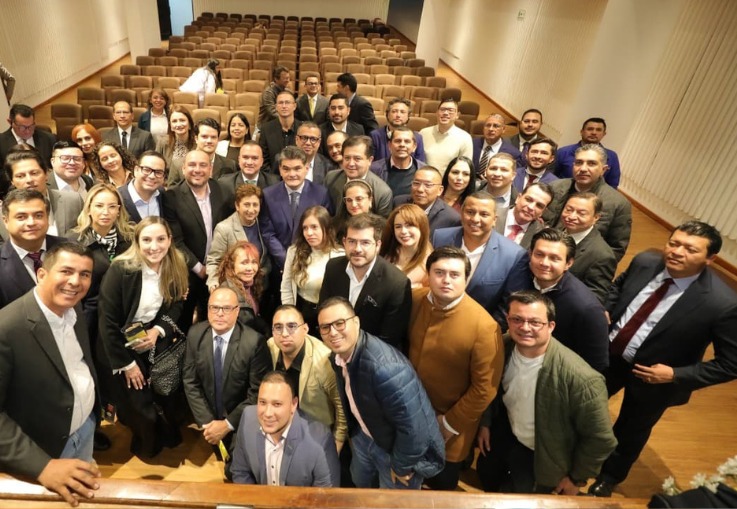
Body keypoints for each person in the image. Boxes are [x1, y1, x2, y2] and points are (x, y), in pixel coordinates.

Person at [589, 221, 737, 497]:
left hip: (655, 378)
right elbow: (618, 286)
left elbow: (731, 364)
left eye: (690, 249)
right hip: (610, 354)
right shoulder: (645, 261)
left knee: (632, 429)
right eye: (674, 243)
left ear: (710, 259)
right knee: (586, 403)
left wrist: (676, 375)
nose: (677, 252)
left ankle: (609, 477)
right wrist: (605, 310)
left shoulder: (722, 304)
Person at [476, 291, 616, 495]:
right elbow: (490, 388)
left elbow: (601, 439)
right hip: (507, 436)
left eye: (535, 322)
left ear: (551, 326)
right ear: (508, 319)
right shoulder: (502, 347)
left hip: (543, 456)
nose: (525, 328)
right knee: (488, 478)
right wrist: (485, 423)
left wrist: (576, 478)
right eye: (517, 319)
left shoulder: (582, 379)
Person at [0, 242, 102, 507]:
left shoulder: (73, 306)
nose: (75, 282)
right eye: (66, 271)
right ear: (42, 274)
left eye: (84, 274)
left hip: (84, 428)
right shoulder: (6, 329)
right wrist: (42, 466)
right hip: (43, 450)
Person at [319, 297, 445, 489]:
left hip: (396, 450)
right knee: (361, 487)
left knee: (393, 501)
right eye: (325, 327)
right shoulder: (338, 357)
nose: (333, 332)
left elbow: (415, 430)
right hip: (365, 436)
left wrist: (401, 466)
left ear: (356, 322)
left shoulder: (385, 369)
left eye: (339, 323)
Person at [409, 247, 504, 490]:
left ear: (466, 278)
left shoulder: (485, 327)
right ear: (428, 274)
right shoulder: (414, 300)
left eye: (454, 274)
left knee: (440, 489)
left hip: (449, 425)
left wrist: (448, 424)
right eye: (439, 272)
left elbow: (484, 389)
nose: (446, 280)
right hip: (409, 415)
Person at [98, 216, 189, 458]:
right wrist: (127, 364)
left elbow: (177, 303)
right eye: (146, 240)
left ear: (169, 240)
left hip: (151, 338)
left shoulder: (177, 264)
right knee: (141, 406)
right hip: (118, 345)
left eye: (160, 239)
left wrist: (158, 330)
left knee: (164, 393)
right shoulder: (120, 270)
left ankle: (162, 436)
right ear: (137, 242)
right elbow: (107, 322)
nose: (154, 246)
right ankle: (146, 446)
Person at [67, 183, 133, 450]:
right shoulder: (75, 240)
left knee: (110, 373)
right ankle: (89, 429)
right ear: (89, 209)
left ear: (119, 210)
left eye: (111, 206)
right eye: (99, 205)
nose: (105, 212)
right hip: (88, 317)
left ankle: (113, 416)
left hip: (121, 315)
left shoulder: (129, 238)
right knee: (89, 374)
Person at [183, 286, 270, 476]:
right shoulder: (195, 334)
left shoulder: (254, 343)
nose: (220, 313)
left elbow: (258, 393)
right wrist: (208, 423)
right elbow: (190, 380)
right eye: (214, 307)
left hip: (240, 418)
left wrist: (227, 424)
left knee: (235, 472)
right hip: (210, 417)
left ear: (237, 311)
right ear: (208, 309)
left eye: (226, 308)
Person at [432, 191, 531, 326]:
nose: (475, 219)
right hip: (433, 318)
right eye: (470, 212)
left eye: (484, 214)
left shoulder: (514, 255)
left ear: (494, 219)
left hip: (478, 328)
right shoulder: (440, 238)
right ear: (461, 213)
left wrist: (482, 330)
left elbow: (509, 306)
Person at [319, 213, 412, 352]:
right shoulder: (333, 267)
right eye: (352, 241)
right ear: (344, 242)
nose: (357, 249)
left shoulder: (397, 283)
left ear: (378, 245)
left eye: (365, 243)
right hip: (333, 347)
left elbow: (389, 338)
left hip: (373, 355)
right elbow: (324, 311)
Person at [231, 371, 340, 486]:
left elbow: (326, 493)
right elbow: (240, 472)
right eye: (262, 402)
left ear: (293, 404)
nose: (268, 413)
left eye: (277, 404)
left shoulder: (320, 440)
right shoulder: (248, 418)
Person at [164, 149, 229, 331]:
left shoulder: (222, 191)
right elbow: (175, 241)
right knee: (183, 325)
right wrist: (200, 269)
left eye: (203, 165)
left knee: (214, 323)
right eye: (192, 165)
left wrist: (216, 268)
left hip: (218, 272)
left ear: (210, 169)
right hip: (187, 273)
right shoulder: (171, 197)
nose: (197, 169)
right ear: (183, 169)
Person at [528, 228, 609, 372]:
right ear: (530, 254)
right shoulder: (521, 278)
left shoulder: (586, 308)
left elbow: (596, 364)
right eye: (539, 254)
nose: (544, 263)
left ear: (568, 263)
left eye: (554, 258)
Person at [266, 305, 347, 449]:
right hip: (280, 429)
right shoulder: (270, 347)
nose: (284, 334)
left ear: (305, 329)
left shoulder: (324, 362)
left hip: (315, 436)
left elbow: (342, 408)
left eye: (292, 326)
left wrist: (336, 446)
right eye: (278, 327)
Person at [543, 144, 632, 261]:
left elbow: (615, 249)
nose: (583, 169)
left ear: (604, 169)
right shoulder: (555, 187)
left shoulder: (617, 203)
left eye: (591, 164)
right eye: (579, 163)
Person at [260, 146, 333, 268]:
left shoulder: (321, 194)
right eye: (286, 169)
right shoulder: (268, 195)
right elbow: (267, 233)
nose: (292, 174)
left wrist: (307, 260)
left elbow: (326, 229)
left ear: (306, 168)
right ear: (280, 169)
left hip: (313, 263)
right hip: (279, 265)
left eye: (297, 169)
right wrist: (287, 260)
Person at [281, 206, 343, 332]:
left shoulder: (340, 255)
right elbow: (286, 287)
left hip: (329, 315)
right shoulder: (294, 251)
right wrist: (290, 314)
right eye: (305, 228)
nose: (309, 233)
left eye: (314, 227)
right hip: (301, 311)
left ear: (326, 228)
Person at [0, 188, 65, 308]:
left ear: (47, 218)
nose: (31, 222)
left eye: (38, 215)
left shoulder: (69, 249)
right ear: (6, 221)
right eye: (21, 217)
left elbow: (90, 299)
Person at [207, 184, 271, 297]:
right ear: (237, 205)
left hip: (260, 288)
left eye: (255, 205)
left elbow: (266, 257)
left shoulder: (264, 224)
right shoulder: (224, 228)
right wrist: (213, 283)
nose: (251, 210)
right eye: (246, 205)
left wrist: (261, 273)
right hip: (235, 291)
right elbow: (214, 261)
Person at [1, 150, 83, 239]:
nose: (29, 180)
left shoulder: (73, 200)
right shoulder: (2, 214)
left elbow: (85, 234)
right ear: (12, 181)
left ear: (46, 174)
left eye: (34, 173)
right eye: (20, 176)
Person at [559, 192, 616, 304]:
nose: (571, 216)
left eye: (581, 213)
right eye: (568, 210)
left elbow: (595, 297)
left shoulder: (602, 255)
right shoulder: (555, 232)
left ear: (596, 217)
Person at [324, 135, 392, 218]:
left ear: (369, 160)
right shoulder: (331, 178)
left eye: (357, 159)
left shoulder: (382, 192)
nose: (351, 164)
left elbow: (382, 224)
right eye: (347, 158)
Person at [215, 241, 269, 334]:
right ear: (232, 265)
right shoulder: (227, 292)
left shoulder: (252, 285)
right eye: (244, 263)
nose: (250, 268)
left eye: (254, 262)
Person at [392, 166, 461, 235]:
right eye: (416, 183)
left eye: (428, 185)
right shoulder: (399, 202)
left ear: (440, 190)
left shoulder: (451, 218)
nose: (420, 189)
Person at [555, 117, 621, 188]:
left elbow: (612, 185)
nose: (594, 133)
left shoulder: (612, 157)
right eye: (590, 129)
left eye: (598, 130)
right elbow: (551, 176)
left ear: (603, 134)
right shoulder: (563, 152)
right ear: (581, 132)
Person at [380, 204, 433, 288]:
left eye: (409, 225)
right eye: (398, 226)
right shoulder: (385, 252)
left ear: (422, 227)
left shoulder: (431, 261)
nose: (403, 231)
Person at [218, 142, 279, 214]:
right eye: (245, 157)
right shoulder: (224, 184)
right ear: (239, 159)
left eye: (254, 158)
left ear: (261, 161)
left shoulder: (274, 183)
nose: (249, 162)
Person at [419, 99, 473, 175]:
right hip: (425, 178)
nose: (445, 113)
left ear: (457, 115)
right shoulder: (423, 133)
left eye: (450, 110)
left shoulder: (465, 138)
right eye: (442, 110)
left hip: (449, 181)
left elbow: (464, 167)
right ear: (437, 113)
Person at [370, 126, 426, 196]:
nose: (402, 145)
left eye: (407, 141)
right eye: (397, 141)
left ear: (414, 147)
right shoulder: (373, 170)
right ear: (389, 145)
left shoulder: (424, 171)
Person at [495, 182, 553, 249]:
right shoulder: (493, 215)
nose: (531, 207)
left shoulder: (540, 236)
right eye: (528, 200)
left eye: (539, 205)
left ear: (543, 212)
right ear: (518, 198)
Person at [0, 103, 56, 169]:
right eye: (22, 127)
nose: (28, 131)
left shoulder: (49, 139)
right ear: (10, 122)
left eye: (31, 126)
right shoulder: (1, 143)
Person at [369, 98, 426, 162]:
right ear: (387, 114)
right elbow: (370, 163)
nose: (398, 115)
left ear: (408, 116)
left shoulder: (417, 138)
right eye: (394, 111)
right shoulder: (375, 136)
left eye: (402, 112)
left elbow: (420, 164)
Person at [118, 150, 168, 224]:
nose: (152, 176)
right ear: (136, 170)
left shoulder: (163, 195)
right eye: (146, 170)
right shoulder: (118, 198)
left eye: (158, 172)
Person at [258, 90, 301, 171]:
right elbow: (263, 159)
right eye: (281, 103)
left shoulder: (302, 128)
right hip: (273, 176)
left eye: (287, 102)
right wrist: (272, 177)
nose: (284, 106)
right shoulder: (266, 129)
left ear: (294, 106)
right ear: (276, 107)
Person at [472, 113, 521, 179]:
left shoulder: (513, 153)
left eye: (496, 126)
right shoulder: (472, 144)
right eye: (488, 125)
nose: (491, 129)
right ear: (483, 128)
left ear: (503, 129)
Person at [157, 105, 196, 187]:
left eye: (182, 120)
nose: (178, 124)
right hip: (166, 187)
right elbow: (156, 167)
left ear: (189, 124)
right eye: (174, 121)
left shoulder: (197, 143)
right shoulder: (163, 142)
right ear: (171, 126)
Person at [479, 152, 518, 220]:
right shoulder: (472, 190)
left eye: (504, 170)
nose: (497, 174)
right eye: (493, 168)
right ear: (485, 171)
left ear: (513, 175)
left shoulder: (518, 202)